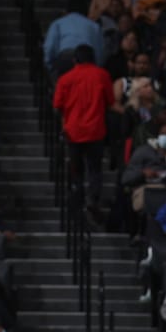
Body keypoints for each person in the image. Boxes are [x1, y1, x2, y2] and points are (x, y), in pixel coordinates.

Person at [53, 45, 113, 214]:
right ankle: (92, 199)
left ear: (75, 60)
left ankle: (76, 199)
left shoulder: (65, 79)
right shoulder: (102, 75)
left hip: (73, 130)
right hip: (95, 129)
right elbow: (110, 100)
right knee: (95, 168)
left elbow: (57, 104)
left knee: (76, 169)